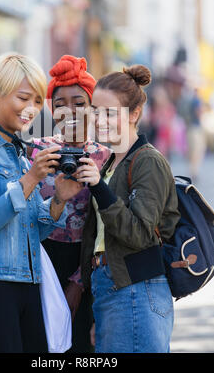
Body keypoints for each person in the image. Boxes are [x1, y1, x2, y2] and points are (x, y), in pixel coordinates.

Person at [0, 53, 83, 353]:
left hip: (28, 285)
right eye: (24, 98)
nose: (32, 109)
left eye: (37, 101)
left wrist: (59, 198)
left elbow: (37, 230)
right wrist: (31, 179)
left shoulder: (21, 155)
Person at [78, 64, 181, 353]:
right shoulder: (111, 163)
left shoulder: (148, 161)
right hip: (110, 287)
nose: (99, 119)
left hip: (135, 287)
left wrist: (99, 187)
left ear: (134, 114)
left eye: (110, 112)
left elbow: (138, 234)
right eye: (95, 110)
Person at [28, 55, 111, 353]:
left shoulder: (105, 157)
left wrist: (79, 282)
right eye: (61, 104)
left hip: (85, 262)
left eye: (79, 102)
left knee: (79, 345)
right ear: (52, 110)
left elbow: (105, 228)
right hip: (42, 260)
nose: (71, 111)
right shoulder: (37, 152)